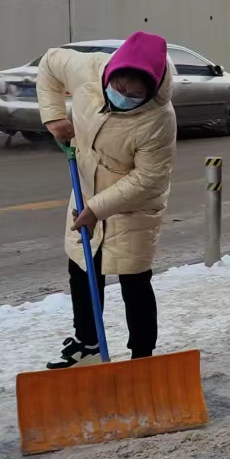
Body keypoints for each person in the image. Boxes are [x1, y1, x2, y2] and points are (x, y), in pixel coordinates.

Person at [39, 31, 176, 368]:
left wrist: (97, 209)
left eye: (135, 94)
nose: (124, 97)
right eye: (119, 88)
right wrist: (55, 116)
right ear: (111, 73)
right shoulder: (89, 69)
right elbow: (49, 64)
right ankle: (88, 343)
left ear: (152, 90)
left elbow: (148, 179)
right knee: (82, 268)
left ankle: (142, 357)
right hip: (86, 187)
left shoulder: (159, 120)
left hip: (135, 204)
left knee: (133, 278)